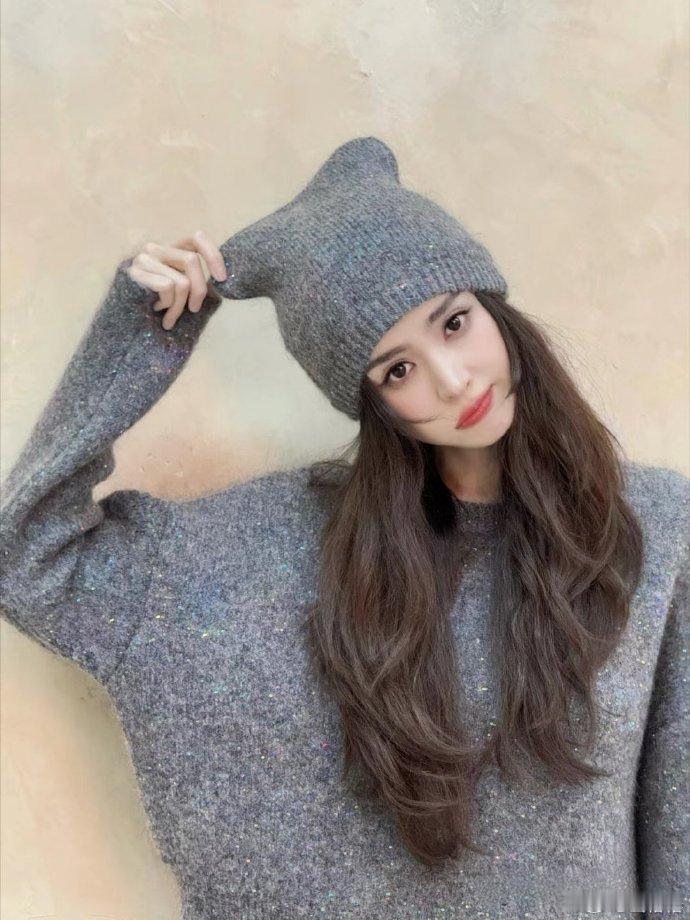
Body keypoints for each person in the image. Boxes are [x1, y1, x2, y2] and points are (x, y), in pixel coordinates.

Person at [0, 136, 687, 919]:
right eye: (398, 369)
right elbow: (28, 559)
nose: (452, 379)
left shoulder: (656, 528)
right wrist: (141, 340)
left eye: (454, 323)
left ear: (494, 308)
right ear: (370, 403)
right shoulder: (264, 546)